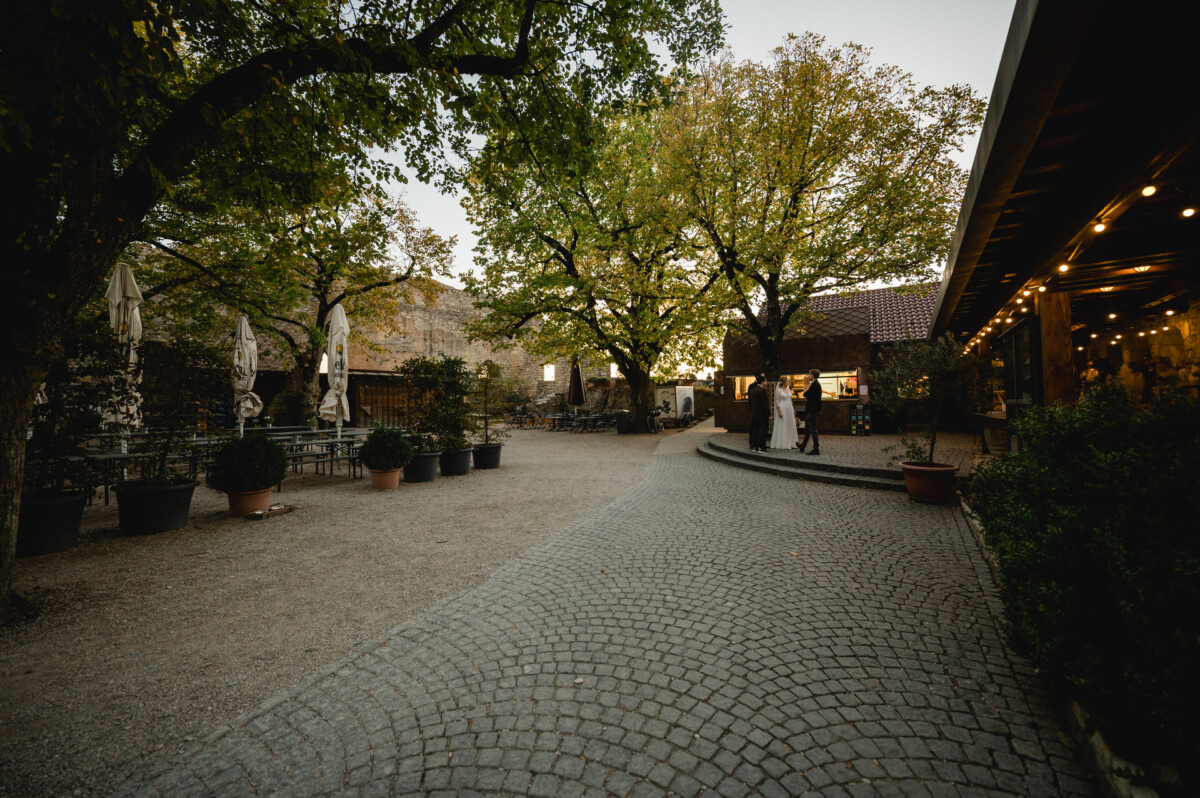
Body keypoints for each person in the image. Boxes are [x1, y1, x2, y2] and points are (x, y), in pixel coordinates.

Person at [769, 375, 799, 450]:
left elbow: (790, 400)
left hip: (789, 408)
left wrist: (793, 409)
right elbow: (777, 401)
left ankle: (791, 442)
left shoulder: (788, 390)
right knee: (783, 424)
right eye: (787, 381)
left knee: (790, 424)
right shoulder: (778, 390)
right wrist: (779, 411)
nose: (788, 382)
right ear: (783, 382)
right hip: (782, 408)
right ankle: (783, 442)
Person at [798, 368, 822, 455]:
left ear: (813, 375)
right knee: (807, 429)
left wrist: (807, 394)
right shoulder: (815, 384)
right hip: (811, 410)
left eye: (810, 374)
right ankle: (803, 446)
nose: (809, 376)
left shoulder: (815, 384)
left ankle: (816, 449)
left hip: (812, 410)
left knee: (813, 430)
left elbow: (806, 394)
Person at [747, 372, 769, 452]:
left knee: (755, 430)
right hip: (761, 414)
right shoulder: (761, 390)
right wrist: (768, 414)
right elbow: (765, 404)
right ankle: (760, 446)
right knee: (761, 430)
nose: (766, 383)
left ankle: (755, 446)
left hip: (754, 413)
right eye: (765, 380)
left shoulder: (753, 389)